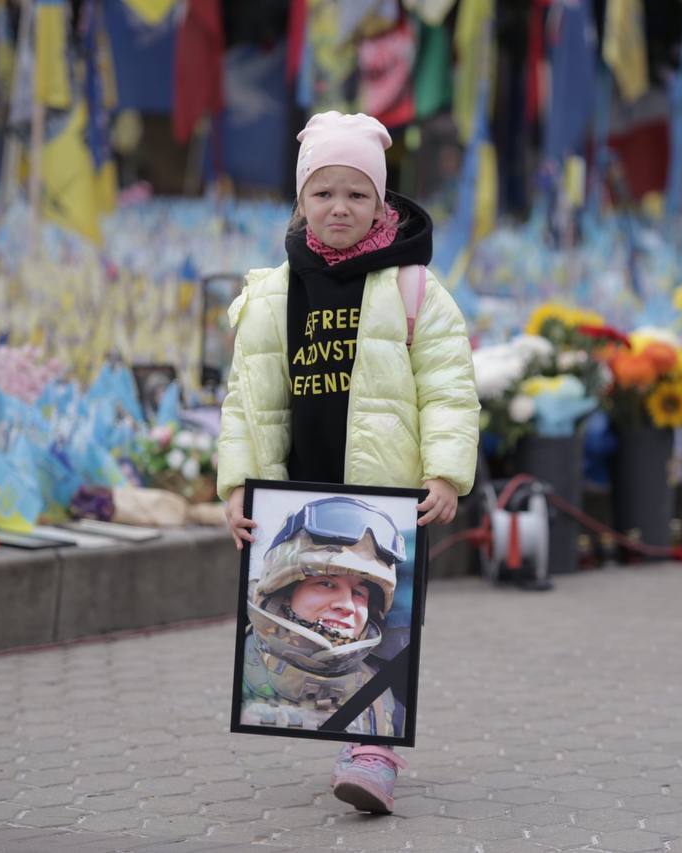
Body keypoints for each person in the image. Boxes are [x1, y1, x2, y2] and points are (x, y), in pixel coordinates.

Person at [217, 111, 480, 815]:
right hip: (302, 498)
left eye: (358, 194)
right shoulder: (273, 294)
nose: (340, 207)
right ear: (301, 201)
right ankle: (322, 716)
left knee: (385, 622)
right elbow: (250, 401)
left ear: (383, 204)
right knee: (313, 614)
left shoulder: (415, 289)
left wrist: (446, 470)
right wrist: (241, 481)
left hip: (386, 498)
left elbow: (451, 388)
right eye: (324, 192)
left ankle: (373, 751)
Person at [240, 497, 403, 739]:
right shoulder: (239, 664)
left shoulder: (386, 694)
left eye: (359, 593)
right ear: (284, 593)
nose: (347, 605)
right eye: (326, 583)